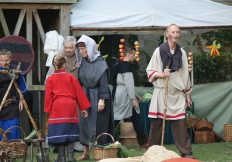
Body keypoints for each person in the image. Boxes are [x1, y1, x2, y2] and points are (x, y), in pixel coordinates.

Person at [146, 24, 194, 158]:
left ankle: (186, 152)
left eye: (178, 32)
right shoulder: (158, 51)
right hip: (162, 92)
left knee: (180, 125)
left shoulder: (182, 53)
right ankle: (152, 152)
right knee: (156, 125)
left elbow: (185, 74)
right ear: (167, 34)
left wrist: (187, 93)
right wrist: (162, 74)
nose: (176, 34)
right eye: (173, 32)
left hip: (177, 94)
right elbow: (149, 71)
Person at [44, 55, 90, 162]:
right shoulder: (70, 77)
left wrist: (48, 110)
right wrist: (83, 108)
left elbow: (48, 96)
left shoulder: (50, 79)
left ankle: (61, 157)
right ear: (64, 65)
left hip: (57, 106)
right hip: (70, 105)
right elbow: (79, 92)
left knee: (59, 131)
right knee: (70, 129)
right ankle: (70, 156)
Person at [75, 34, 114, 160]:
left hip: (98, 96)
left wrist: (102, 100)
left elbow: (103, 82)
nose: (81, 52)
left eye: (83, 49)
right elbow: (80, 80)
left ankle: (101, 152)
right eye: (79, 49)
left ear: (90, 48)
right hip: (86, 95)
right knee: (84, 122)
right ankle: (86, 153)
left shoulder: (100, 62)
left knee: (100, 123)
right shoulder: (83, 62)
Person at [112, 46, 148, 148]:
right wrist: (133, 98)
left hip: (120, 93)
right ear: (128, 55)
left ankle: (143, 142)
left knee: (134, 117)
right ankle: (106, 138)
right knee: (117, 118)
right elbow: (128, 83)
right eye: (133, 54)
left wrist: (135, 95)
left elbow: (127, 84)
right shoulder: (126, 67)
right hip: (124, 95)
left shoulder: (119, 65)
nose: (134, 56)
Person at [0, 49, 27, 140]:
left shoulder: (16, 70)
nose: (4, 63)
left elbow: (22, 87)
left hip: (12, 102)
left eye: (6, 60)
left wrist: (21, 101)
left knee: (12, 125)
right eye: (2, 60)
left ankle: (13, 148)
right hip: (0, 102)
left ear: (10, 59)